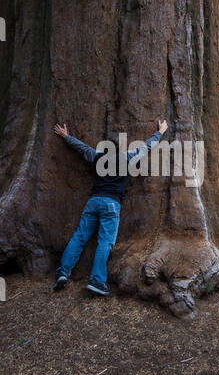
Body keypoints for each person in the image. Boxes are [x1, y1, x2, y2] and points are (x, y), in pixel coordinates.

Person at [52, 120, 168, 295]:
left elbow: (82, 148)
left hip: (93, 201)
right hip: (111, 204)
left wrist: (66, 136)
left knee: (79, 237)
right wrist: (159, 132)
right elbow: (146, 147)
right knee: (105, 242)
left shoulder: (98, 157)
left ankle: (62, 273)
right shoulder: (128, 157)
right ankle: (97, 281)